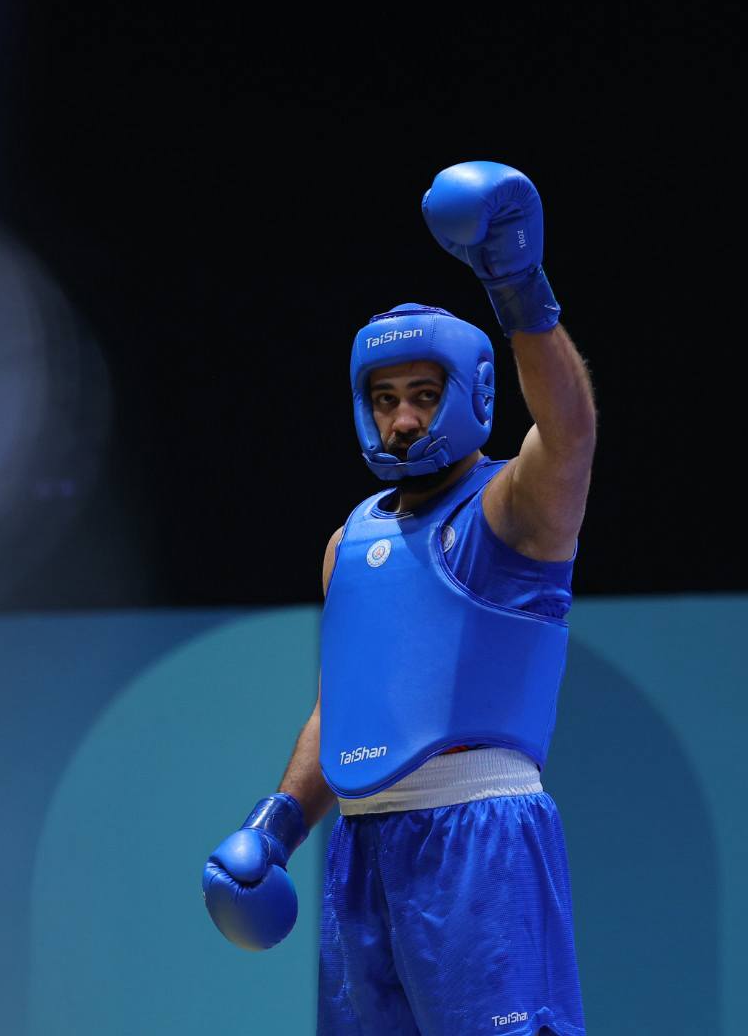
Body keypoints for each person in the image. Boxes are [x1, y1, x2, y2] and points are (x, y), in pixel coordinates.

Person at [203, 161, 596, 1036]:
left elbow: (570, 431)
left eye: (423, 395)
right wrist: (276, 828)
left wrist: (518, 286)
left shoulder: (514, 507)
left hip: (478, 834)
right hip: (362, 847)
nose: (403, 420)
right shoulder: (350, 541)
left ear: (472, 394)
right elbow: (340, 708)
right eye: (384, 400)